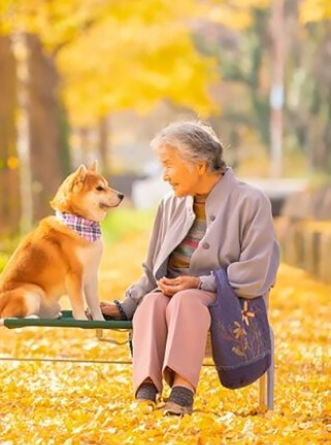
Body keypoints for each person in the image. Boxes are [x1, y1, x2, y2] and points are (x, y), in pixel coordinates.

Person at [101, 120, 279, 416]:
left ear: (200, 165)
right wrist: (125, 306)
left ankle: (182, 391)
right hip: (173, 298)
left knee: (186, 300)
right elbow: (152, 271)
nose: (164, 176)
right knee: (152, 303)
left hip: (229, 301)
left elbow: (257, 272)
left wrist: (199, 284)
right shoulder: (169, 205)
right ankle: (146, 388)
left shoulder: (250, 201)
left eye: (169, 165)